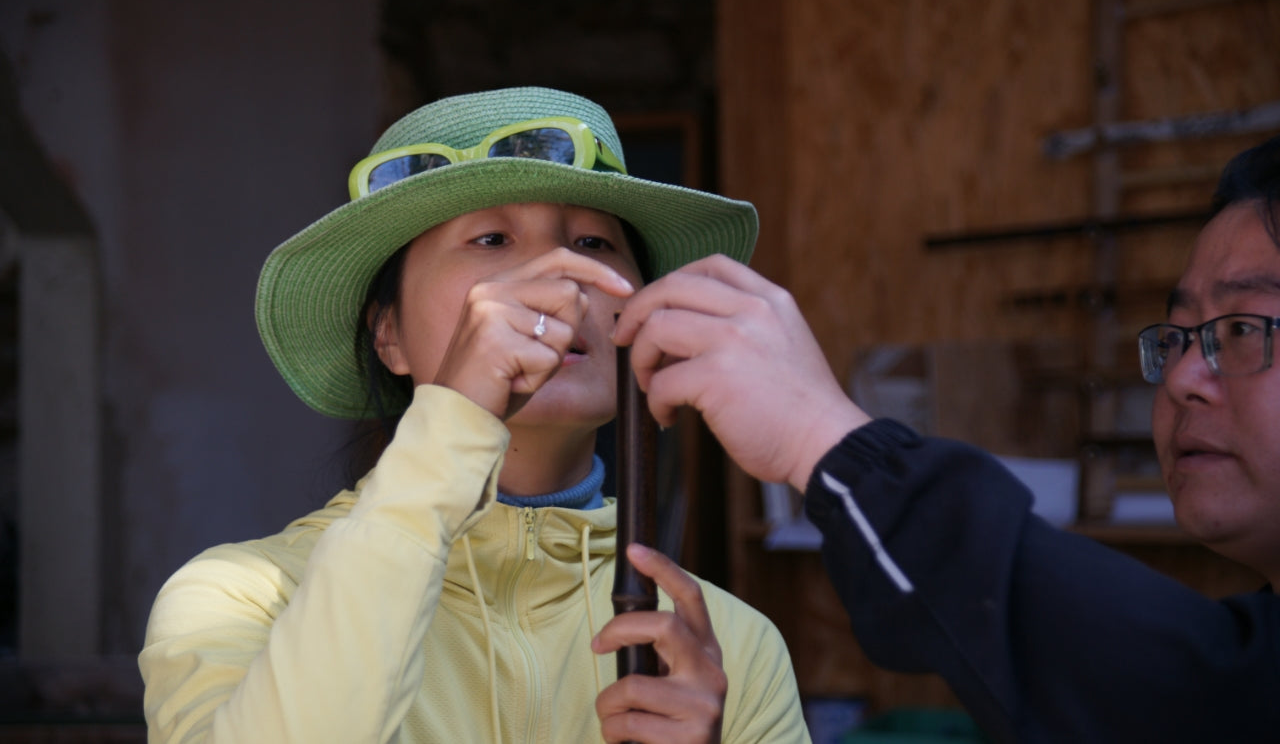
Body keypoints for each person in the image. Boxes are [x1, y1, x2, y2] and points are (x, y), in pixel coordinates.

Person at [138, 87, 810, 744]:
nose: (558, 273)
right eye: (491, 239)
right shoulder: (240, 598)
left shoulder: (728, 646)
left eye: (595, 244)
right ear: (388, 335)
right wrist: (453, 426)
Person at [613, 134, 1280, 742]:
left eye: (1244, 329)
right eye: (1178, 335)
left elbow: (1189, 698)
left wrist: (822, 437)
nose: (1185, 375)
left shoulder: (740, 639)